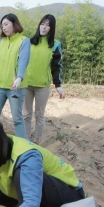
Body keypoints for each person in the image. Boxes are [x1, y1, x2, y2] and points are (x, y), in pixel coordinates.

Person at [0, 14, 31, 138]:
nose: (3, 28)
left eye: (6, 24)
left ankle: (23, 146)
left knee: (17, 119)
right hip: (0, 86)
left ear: (14, 24)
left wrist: (20, 77)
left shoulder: (24, 41)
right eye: (2, 25)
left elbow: (23, 61)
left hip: (15, 87)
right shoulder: (2, 42)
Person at [23, 14, 64, 144]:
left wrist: (58, 85)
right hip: (26, 84)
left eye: (48, 25)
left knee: (39, 115)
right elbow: (21, 62)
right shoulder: (29, 42)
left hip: (42, 86)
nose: (44, 27)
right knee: (26, 115)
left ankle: (37, 141)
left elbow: (56, 66)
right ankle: (26, 140)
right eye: (42, 24)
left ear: (52, 28)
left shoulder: (55, 45)